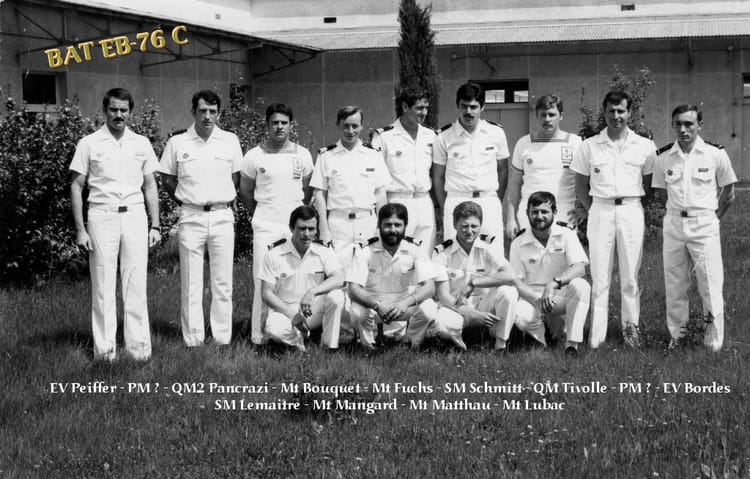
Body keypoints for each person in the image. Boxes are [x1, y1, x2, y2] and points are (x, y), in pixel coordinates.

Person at [69, 87, 161, 361]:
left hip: (134, 216)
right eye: (113, 109)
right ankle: (105, 352)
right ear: (104, 110)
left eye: (123, 110)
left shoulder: (141, 143)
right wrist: (80, 230)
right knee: (103, 286)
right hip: (101, 216)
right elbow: (76, 186)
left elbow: (150, 186)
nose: (118, 115)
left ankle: (138, 351)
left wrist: (155, 224)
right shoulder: (89, 143)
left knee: (135, 283)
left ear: (130, 112)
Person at [570, 90, 655, 349]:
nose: (616, 116)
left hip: (631, 210)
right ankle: (597, 338)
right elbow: (580, 186)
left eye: (621, 111)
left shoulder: (645, 146)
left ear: (630, 113)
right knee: (600, 277)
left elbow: (649, 186)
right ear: (604, 113)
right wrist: (593, 209)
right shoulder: (589, 146)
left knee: (630, 277)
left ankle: (631, 335)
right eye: (611, 111)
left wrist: (634, 207)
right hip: (601, 211)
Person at [159, 90, 243, 347]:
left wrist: (219, 198)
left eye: (213, 111)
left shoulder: (230, 140)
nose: (207, 116)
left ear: (219, 113)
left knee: (223, 282)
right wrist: (186, 200)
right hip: (191, 216)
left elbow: (235, 178)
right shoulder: (178, 142)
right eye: (202, 111)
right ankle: (193, 338)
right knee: (191, 282)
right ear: (193, 111)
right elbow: (167, 179)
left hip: (221, 216)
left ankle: (222, 337)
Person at [652, 104, 737, 352]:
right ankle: (678, 336)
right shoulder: (663, 157)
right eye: (678, 124)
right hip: (674, 225)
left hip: (704, 225)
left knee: (710, 283)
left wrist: (713, 219)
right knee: (675, 284)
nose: (683, 129)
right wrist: (674, 217)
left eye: (688, 124)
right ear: (672, 125)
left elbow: (729, 192)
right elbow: (661, 194)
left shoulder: (714, 154)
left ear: (700, 125)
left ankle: (713, 341)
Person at [238, 103, 314, 346]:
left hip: (294, 225)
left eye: (284, 122)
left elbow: (307, 191)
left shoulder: (303, 155)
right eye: (275, 123)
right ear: (267, 125)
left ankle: (299, 329)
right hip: (266, 224)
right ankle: (258, 335)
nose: (279, 127)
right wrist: (261, 214)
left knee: (295, 278)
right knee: (263, 280)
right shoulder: (254, 156)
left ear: (291, 125)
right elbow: (245, 192)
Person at [507, 191, 591, 355]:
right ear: (527, 213)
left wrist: (553, 284)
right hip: (532, 296)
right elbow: (517, 283)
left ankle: (571, 345)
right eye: (535, 212)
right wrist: (538, 300)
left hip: (560, 292)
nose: (539, 216)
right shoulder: (517, 242)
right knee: (520, 316)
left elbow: (580, 268)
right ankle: (541, 339)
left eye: (544, 212)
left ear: (554, 212)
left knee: (581, 286)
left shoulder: (567, 234)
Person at [427, 201, 517, 352]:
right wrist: (475, 315)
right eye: (464, 226)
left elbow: (510, 274)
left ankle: (500, 344)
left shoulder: (488, 245)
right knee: (442, 325)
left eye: (474, 226)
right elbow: (443, 297)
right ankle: (458, 344)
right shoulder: (442, 253)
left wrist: (475, 282)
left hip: (484, 304)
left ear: (480, 225)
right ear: (454, 225)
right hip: (456, 307)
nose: (469, 231)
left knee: (509, 292)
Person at [347, 203, 437, 350]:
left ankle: (410, 343)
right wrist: (377, 306)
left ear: (405, 225)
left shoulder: (415, 248)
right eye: (388, 225)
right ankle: (368, 345)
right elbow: (353, 288)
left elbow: (429, 287)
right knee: (357, 312)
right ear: (379, 225)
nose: (393, 230)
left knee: (429, 308)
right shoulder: (365, 249)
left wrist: (406, 303)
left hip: (403, 305)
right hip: (373, 305)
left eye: (398, 225)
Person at [432, 82, 510, 250]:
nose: (468, 112)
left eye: (474, 107)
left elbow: (503, 170)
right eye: (464, 106)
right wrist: (446, 207)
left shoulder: (496, 133)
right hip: (456, 199)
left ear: (482, 107)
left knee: (493, 252)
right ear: (458, 106)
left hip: (488, 200)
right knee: (455, 255)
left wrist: (496, 198)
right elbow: (438, 177)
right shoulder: (443, 137)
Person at [258, 206, 346, 352]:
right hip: (285, 311)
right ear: (291, 228)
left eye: (311, 229)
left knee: (337, 296)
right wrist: (292, 314)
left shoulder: (323, 250)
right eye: (302, 228)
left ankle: (329, 346)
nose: (307, 234)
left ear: (316, 230)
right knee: (274, 330)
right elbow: (266, 293)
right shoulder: (274, 253)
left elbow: (339, 278)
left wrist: (312, 292)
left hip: (313, 309)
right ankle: (299, 339)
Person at [311, 106, 389, 270]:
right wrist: (323, 229)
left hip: (367, 223)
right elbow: (319, 194)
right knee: (339, 273)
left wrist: (381, 226)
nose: (350, 131)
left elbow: (380, 194)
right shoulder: (326, 156)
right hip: (339, 225)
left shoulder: (373, 155)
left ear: (361, 126)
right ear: (338, 125)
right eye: (346, 126)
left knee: (370, 273)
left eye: (355, 126)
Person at [371, 87, 437, 255]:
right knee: (399, 257)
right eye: (419, 108)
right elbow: (376, 181)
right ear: (405, 107)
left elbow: (435, 174)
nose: (424, 112)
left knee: (425, 257)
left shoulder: (431, 136)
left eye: (426, 107)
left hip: (424, 202)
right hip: (397, 202)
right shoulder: (384, 137)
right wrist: (382, 214)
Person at [506, 94, 582, 238]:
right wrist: (511, 218)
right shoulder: (524, 143)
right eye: (543, 115)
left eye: (551, 114)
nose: (547, 119)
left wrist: (583, 208)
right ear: (537, 116)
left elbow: (586, 180)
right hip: (531, 211)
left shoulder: (575, 143)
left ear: (561, 116)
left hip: (564, 211)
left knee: (562, 252)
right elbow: (514, 183)